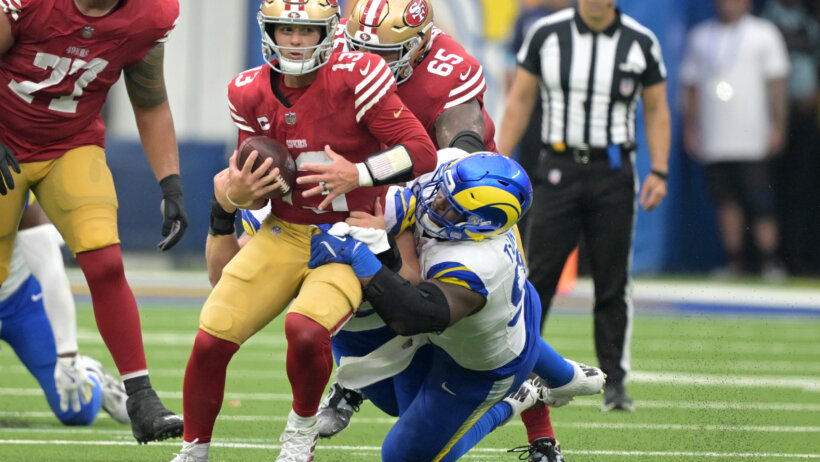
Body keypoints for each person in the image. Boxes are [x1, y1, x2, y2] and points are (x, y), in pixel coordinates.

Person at [170, 1, 437, 461]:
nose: (294, 40)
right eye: (285, 29)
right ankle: (193, 451)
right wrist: (238, 193)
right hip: (285, 229)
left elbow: (421, 150)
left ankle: (300, 434)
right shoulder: (247, 91)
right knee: (212, 335)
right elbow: (255, 189)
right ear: (268, 29)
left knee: (306, 330)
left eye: (306, 31)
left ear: (328, 33)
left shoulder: (360, 75)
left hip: (348, 235)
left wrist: (359, 173)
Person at [308, 151, 604, 461]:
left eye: (450, 207)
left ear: (477, 225)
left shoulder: (473, 264)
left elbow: (413, 313)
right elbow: (428, 149)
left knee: (405, 455)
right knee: (395, 404)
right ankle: (568, 378)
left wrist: (372, 249)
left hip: (477, 364)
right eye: (442, 192)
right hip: (500, 315)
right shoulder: (456, 167)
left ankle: (518, 398)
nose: (435, 202)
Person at [0, 0, 187, 443]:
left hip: (70, 143)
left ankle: (140, 398)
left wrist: (172, 184)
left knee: (105, 260)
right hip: (4, 143)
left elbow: (150, 100)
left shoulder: (148, 15)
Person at [498, 0, 671, 413]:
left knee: (612, 279)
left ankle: (614, 381)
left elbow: (656, 106)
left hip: (613, 170)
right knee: (537, 275)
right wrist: (500, 163)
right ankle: (518, 370)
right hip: (557, 167)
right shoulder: (546, 34)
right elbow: (520, 100)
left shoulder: (640, 42)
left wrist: (660, 170)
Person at [682, 0, 790, 280]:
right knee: (726, 201)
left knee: (761, 200)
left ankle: (769, 261)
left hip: (753, 136)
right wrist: (691, 127)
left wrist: (778, 125)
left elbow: (777, 82)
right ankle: (734, 260)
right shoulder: (701, 36)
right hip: (716, 136)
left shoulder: (764, 33)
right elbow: (690, 85)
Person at [2, 199, 129, 427]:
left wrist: (67, 355)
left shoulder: (13, 186)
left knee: (76, 408)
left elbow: (50, 267)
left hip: (21, 303)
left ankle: (92, 373)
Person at [761, 0, 820, 276]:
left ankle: (802, 259)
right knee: (774, 189)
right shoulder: (766, 21)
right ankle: (778, 259)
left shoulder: (808, 23)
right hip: (773, 117)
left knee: (804, 189)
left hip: (808, 116)